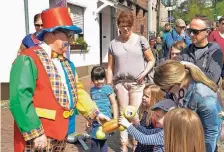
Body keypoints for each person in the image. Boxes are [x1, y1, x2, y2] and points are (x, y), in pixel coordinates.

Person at [9, 7, 110, 152]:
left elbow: (77, 92)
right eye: (68, 34)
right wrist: (35, 132)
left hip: (60, 132)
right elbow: (20, 99)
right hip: (39, 135)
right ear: (52, 33)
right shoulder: (28, 59)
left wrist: (95, 114)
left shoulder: (68, 64)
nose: (71, 39)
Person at [107, 11, 155, 152]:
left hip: (137, 83)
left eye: (128, 25)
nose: (125, 28)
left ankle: (136, 144)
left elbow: (151, 60)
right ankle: (123, 145)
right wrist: (109, 85)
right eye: (122, 25)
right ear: (118, 26)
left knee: (133, 114)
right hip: (120, 83)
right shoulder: (113, 44)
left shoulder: (140, 40)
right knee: (123, 113)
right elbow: (110, 67)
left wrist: (144, 73)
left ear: (132, 25)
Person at [153, 60, 222, 152]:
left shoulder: (205, 98)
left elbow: (211, 132)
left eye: (165, 89)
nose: (166, 93)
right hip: (184, 140)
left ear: (177, 83)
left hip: (199, 144)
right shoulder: (178, 83)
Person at [180, 15, 223, 84]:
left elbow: (213, 78)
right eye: (189, 31)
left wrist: (190, 69)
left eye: (195, 31)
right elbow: (177, 74)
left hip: (206, 93)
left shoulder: (215, 52)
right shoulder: (184, 52)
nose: (191, 34)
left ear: (207, 32)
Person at [89, 66, 118, 152]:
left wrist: (115, 118)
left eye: (101, 79)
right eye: (96, 79)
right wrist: (89, 119)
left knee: (102, 140)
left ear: (104, 78)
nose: (99, 82)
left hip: (106, 119)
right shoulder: (92, 90)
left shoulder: (108, 89)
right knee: (94, 140)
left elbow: (114, 103)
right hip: (95, 118)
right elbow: (91, 105)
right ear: (92, 79)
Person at [135, 84, 165, 152]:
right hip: (141, 144)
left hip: (150, 146)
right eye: (143, 95)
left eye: (147, 96)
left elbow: (154, 134)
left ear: (155, 99)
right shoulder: (144, 110)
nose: (143, 97)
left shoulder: (155, 116)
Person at [208, 15, 224, 96]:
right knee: (213, 86)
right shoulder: (214, 34)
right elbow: (209, 48)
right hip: (215, 64)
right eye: (223, 23)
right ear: (219, 24)